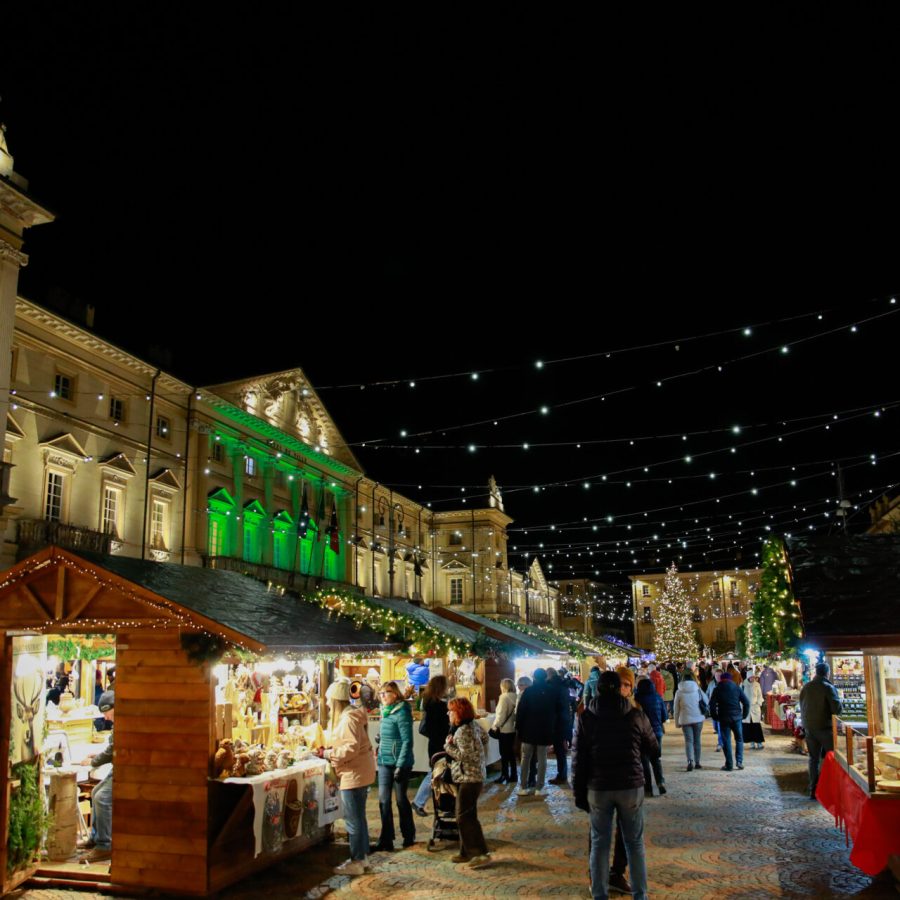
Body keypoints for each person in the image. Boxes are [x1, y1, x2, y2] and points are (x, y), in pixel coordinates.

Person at [573, 670, 657, 900]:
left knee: (600, 843)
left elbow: (579, 758)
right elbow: (654, 747)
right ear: (621, 688)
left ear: (598, 689)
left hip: (598, 788)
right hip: (630, 786)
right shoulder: (635, 715)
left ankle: (599, 894)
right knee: (634, 843)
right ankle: (640, 895)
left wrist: (579, 792)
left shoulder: (587, 717)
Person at [323, 680, 376, 876]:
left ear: (336, 701)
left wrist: (329, 754)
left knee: (353, 820)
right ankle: (362, 858)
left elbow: (351, 748)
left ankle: (356, 860)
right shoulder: (353, 716)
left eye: (329, 700)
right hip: (360, 772)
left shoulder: (347, 719)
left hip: (353, 774)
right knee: (359, 818)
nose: (327, 704)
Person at [444, 697, 491, 868]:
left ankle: (479, 853)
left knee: (463, 816)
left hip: (469, 778)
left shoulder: (462, 731)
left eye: (451, 710)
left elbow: (465, 755)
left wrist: (448, 747)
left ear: (459, 712)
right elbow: (485, 738)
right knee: (467, 815)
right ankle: (465, 851)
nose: (448, 713)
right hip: (474, 776)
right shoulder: (473, 725)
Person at [374, 681, 416, 851]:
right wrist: (380, 739)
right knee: (383, 800)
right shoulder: (385, 712)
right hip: (384, 762)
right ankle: (386, 838)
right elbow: (389, 735)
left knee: (400, 799)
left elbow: (407, 741)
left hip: (400, 763)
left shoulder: (402, 712)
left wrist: (400, 765)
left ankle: (408, 834)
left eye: (387, 692)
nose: (383, 695)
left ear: (396, 694)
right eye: (381, 693)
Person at [77, 690, 115, 862]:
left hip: (124, 769)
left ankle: (104, 845)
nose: (106, 718)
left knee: (102, 798)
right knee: (95, 793)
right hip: (118, 767)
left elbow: (110, 752)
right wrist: (96, 756)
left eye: (107, 713)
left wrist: (93, 762)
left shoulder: (123, 723)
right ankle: (96, 837)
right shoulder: (118, 723)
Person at [799, 662, 842, 799]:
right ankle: (830, 789)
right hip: (824, 727)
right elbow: (837, 710)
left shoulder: (806, 687)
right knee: (831, 757)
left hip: (809, 728)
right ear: (827, 673)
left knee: (813, 759)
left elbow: (802, 705)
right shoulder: (828, 687)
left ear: (816, 672)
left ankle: (813, 790)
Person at [515, 668, 559, 796]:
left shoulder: (528, 691)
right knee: (542, 759)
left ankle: (523, 787)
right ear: (545, 677)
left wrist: (519, 728)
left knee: (525, 759)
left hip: (528, 730)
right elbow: (555, 712)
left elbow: (521, 712)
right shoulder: (551, 692)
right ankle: (539, 788)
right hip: (544, 730)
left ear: (534, 677)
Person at [412, 675, 450, 815]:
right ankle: (419, 802)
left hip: (434, 744)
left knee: (437, 772)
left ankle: (439, 804)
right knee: (436, 773)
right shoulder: (439, 706)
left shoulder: (428, 703)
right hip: (440, 744)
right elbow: (442, 728)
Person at [709, 671, 749, 772]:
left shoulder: (717, 689)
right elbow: (746, 702)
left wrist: (715, 717)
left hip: (724, 718)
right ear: (730, 679)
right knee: (739, 739)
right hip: (737, 718)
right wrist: (743, 715)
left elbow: (712, 705)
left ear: (721, 679)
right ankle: (739, 762)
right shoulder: (736, 687)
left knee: (726, 741)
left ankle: (729, 764)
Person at [634, 679, 667, 797]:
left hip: (642, 734)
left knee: (644, 761)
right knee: (656, 759)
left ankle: (648, 788)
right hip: (657, 732)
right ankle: (660, 782)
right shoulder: (657, 697)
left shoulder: (637, 699)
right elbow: (664, 716)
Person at [673, 668, 705, 771]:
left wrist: (677, 722)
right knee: (697, 740)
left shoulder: (679, 691)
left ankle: (690, 761)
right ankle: (698, 762)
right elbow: (706, 701)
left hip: (685, 719)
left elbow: (676, 708)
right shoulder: (698, 689)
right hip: (698, 718)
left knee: (689, 741)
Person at [546, 667, 572, 785]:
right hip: (564, 721)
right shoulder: (562, 686)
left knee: (560, 750)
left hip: (558, 723)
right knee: (561, 750)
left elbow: (553, 707)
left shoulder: (553, 687)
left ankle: (562, 776)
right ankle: (562, 774)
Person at [493, 677, 517, 784]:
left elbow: (501, 715)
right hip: (512, 729)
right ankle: (514, 774)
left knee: (504, 754)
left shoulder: (504, 698)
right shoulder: (516, 697)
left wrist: (495, 726)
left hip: (504, 729)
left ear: (504, 686)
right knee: (511, 753)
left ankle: (504, 775)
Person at [515, 676, 537, 788]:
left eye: (520, 685)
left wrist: (518, 727)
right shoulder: (536, 695)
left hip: (526, 730)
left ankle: (525, 781)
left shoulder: (522, 695)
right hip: (535, 729)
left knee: (525, 756)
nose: (518, 688)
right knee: (533, 756)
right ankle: (532, 778)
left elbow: (519, 714)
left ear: (525, 685)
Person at [741, 673, 765, 750]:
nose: (753, 679)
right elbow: (740, 696)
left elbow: (760, 695)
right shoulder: (743, 685)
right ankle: (751, 742)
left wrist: (758, 703)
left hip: (755, 708)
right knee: (748, 726)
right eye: (751, 677)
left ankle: (759, 742)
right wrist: (742, 706)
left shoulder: (757, 684)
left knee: (756, 725)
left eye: (754, 677)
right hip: (746, 708)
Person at [706, 667, 723, 751]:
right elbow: (707, 693)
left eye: (720, 675)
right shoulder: (711, 683)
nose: (718, 677)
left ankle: (720, 743)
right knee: (715, 726)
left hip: (722, 709)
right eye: (716, 675)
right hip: (713, 708)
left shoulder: (724, 684)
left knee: (720, 727)